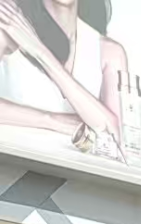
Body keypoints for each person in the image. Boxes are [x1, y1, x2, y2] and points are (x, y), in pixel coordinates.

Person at [0, 0, 129, 157]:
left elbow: (116, 137)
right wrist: (51, 120)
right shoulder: (10, 27)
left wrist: (40, 52)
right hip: (13, 163)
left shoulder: (110, 52)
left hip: (81, 169)